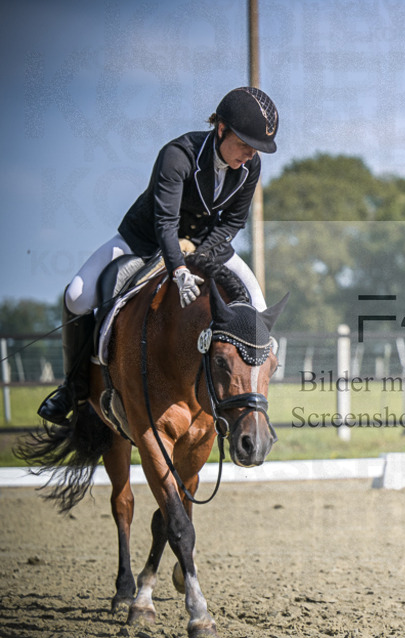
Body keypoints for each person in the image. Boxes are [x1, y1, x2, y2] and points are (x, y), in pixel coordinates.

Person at [37, 86, 279, 426]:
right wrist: (178, 269)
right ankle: (72, 388)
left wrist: (199, 256)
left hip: (208, 245)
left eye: (256, 150)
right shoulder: (177, 155)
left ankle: (252, 396)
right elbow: (165, 221)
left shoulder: (249, 167)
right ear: (221, 128)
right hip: (145, 238)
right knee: (77, 296)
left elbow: (234, 221)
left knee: (258, 306)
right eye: (244, 144)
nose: (250, 155)